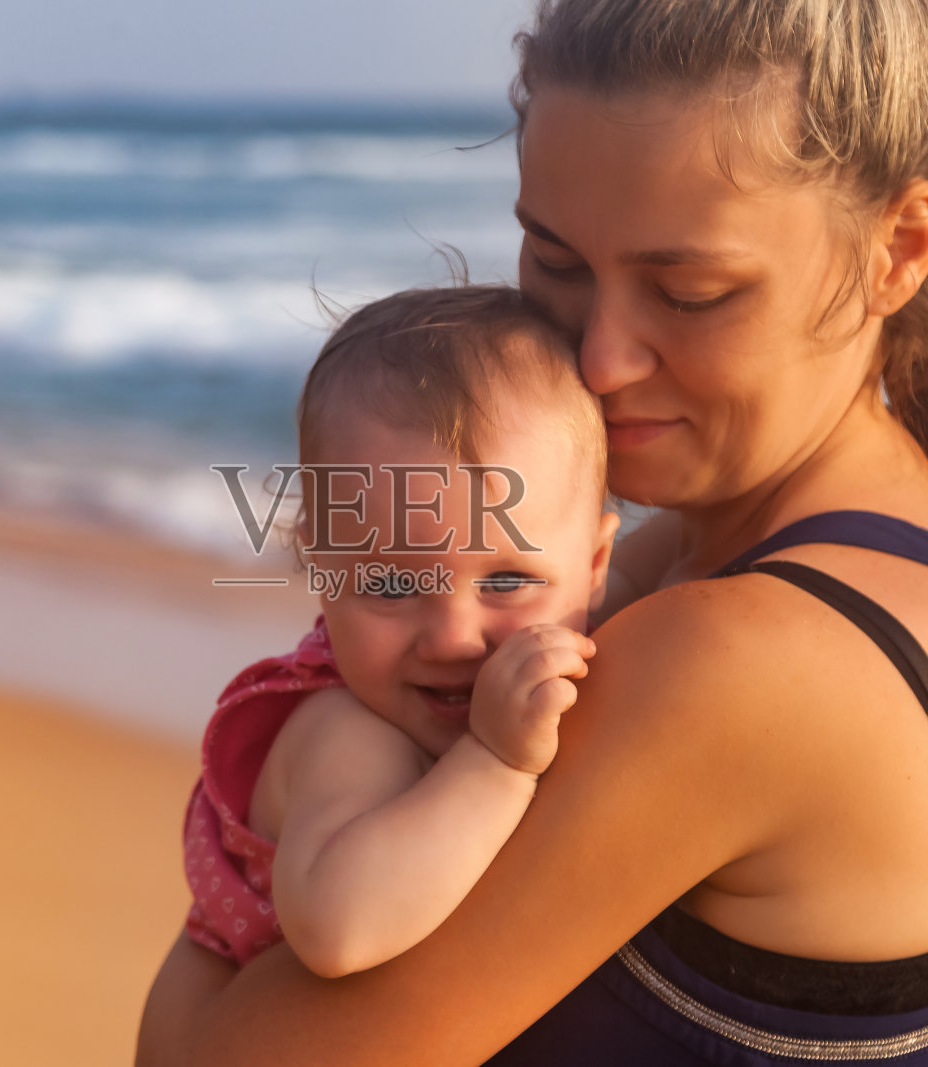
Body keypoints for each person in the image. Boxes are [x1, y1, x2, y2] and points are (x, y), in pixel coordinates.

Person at [138, 0, 928, 1062]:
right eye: (558, 262)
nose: (597, 360)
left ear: (895, 250)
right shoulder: (888, 564)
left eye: (689, 291)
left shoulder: (738, 654)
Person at [181, 285, 619, 978]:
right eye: (390, 583)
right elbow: (337, 929)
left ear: (595, 565)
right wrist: (496, 762)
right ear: (321, 566)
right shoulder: (346, 732)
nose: (452, 637)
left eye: (506, 582)